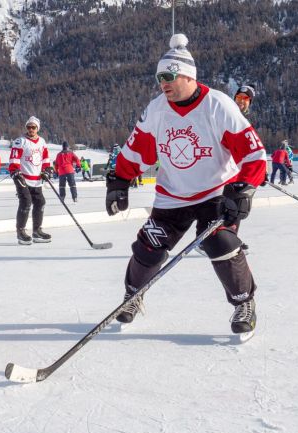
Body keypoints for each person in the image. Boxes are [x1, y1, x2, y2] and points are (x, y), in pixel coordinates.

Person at [105, 33, 266, 336]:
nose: (163, 83)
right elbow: (137, 148)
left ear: (188, 76)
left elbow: (254, 153)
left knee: (219, 242)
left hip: (215, 191)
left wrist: (244, 187)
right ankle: (132, 296)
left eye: (168, 76)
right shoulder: (157, 109)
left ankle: (244, 303)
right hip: (172, 195)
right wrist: (119, 180)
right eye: (159, 78)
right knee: (149, 246)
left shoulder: (218, 105)